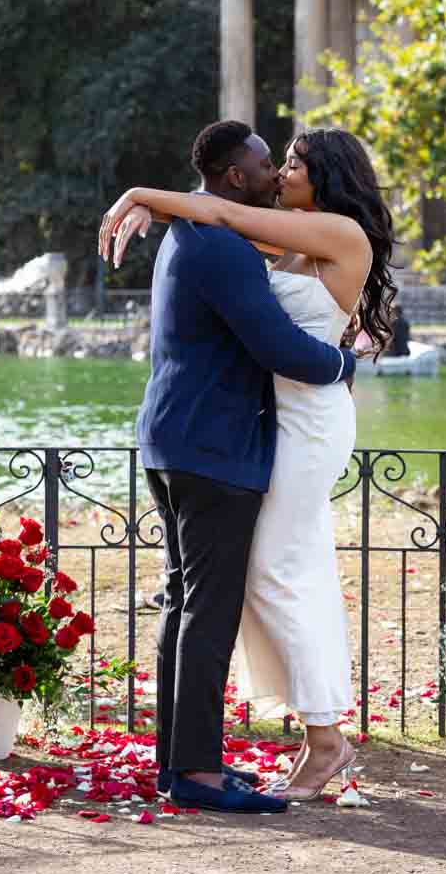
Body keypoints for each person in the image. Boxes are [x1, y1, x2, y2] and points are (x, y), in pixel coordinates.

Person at [101, 125, 397, 801]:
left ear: (323, 174)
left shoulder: (339, 233)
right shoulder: (282, 237)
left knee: (270, 568)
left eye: (292, 162)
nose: (282, 170)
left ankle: (323, 736)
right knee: (283, 568)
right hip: (266, 422)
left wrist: (143, 192)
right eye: (275, 160)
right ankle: (310, 737)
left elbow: (224, 211)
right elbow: (219, 211)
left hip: (310, 419)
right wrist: (163, 206)